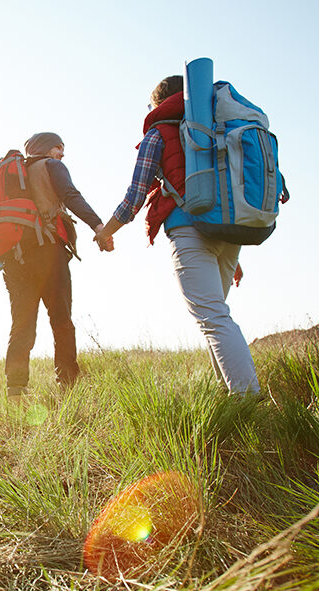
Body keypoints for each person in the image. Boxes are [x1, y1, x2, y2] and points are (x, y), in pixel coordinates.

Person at [94, 76, 279, 394]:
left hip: (189, 230)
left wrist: (104, 231)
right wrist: (230, 253)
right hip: (229, 232)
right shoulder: (216, 128)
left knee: (213, 318)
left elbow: (135, 196)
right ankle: (230, 396)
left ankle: (247, 397)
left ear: (159, 103)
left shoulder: (160, 131)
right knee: (216, 318)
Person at [2, 132, 110, 400]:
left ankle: (15, 390)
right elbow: (71, 196)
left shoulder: (13, 175)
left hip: (14, 258)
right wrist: (98, 226)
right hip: (47, 251)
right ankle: (68, 385)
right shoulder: (51, 166)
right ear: (47, 150)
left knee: (22, 324)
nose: (62, 153)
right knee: (61, 320)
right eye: (59, 147)